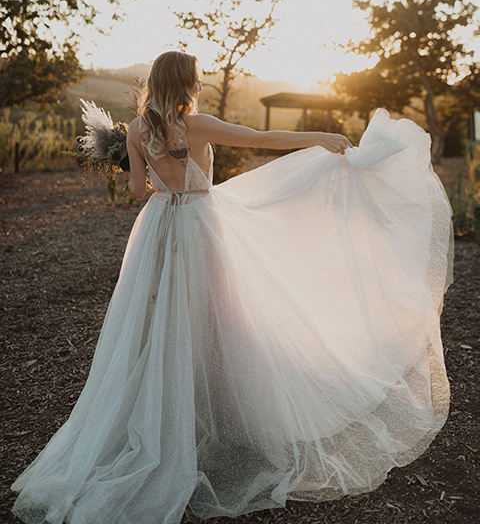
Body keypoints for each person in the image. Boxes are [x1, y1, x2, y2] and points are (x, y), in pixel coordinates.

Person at [12, 51, 453, 524]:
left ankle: (174, 409)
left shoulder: (138, 130)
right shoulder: (196, 124)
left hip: (159, 227)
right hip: (201, 226)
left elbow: (138, 191)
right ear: (184, 85)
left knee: (162, 319)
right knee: (221, 315)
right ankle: (225, 414)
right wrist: (320, 138)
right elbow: (262, 138)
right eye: (196, 81)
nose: (198, 87)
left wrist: (126, 154)